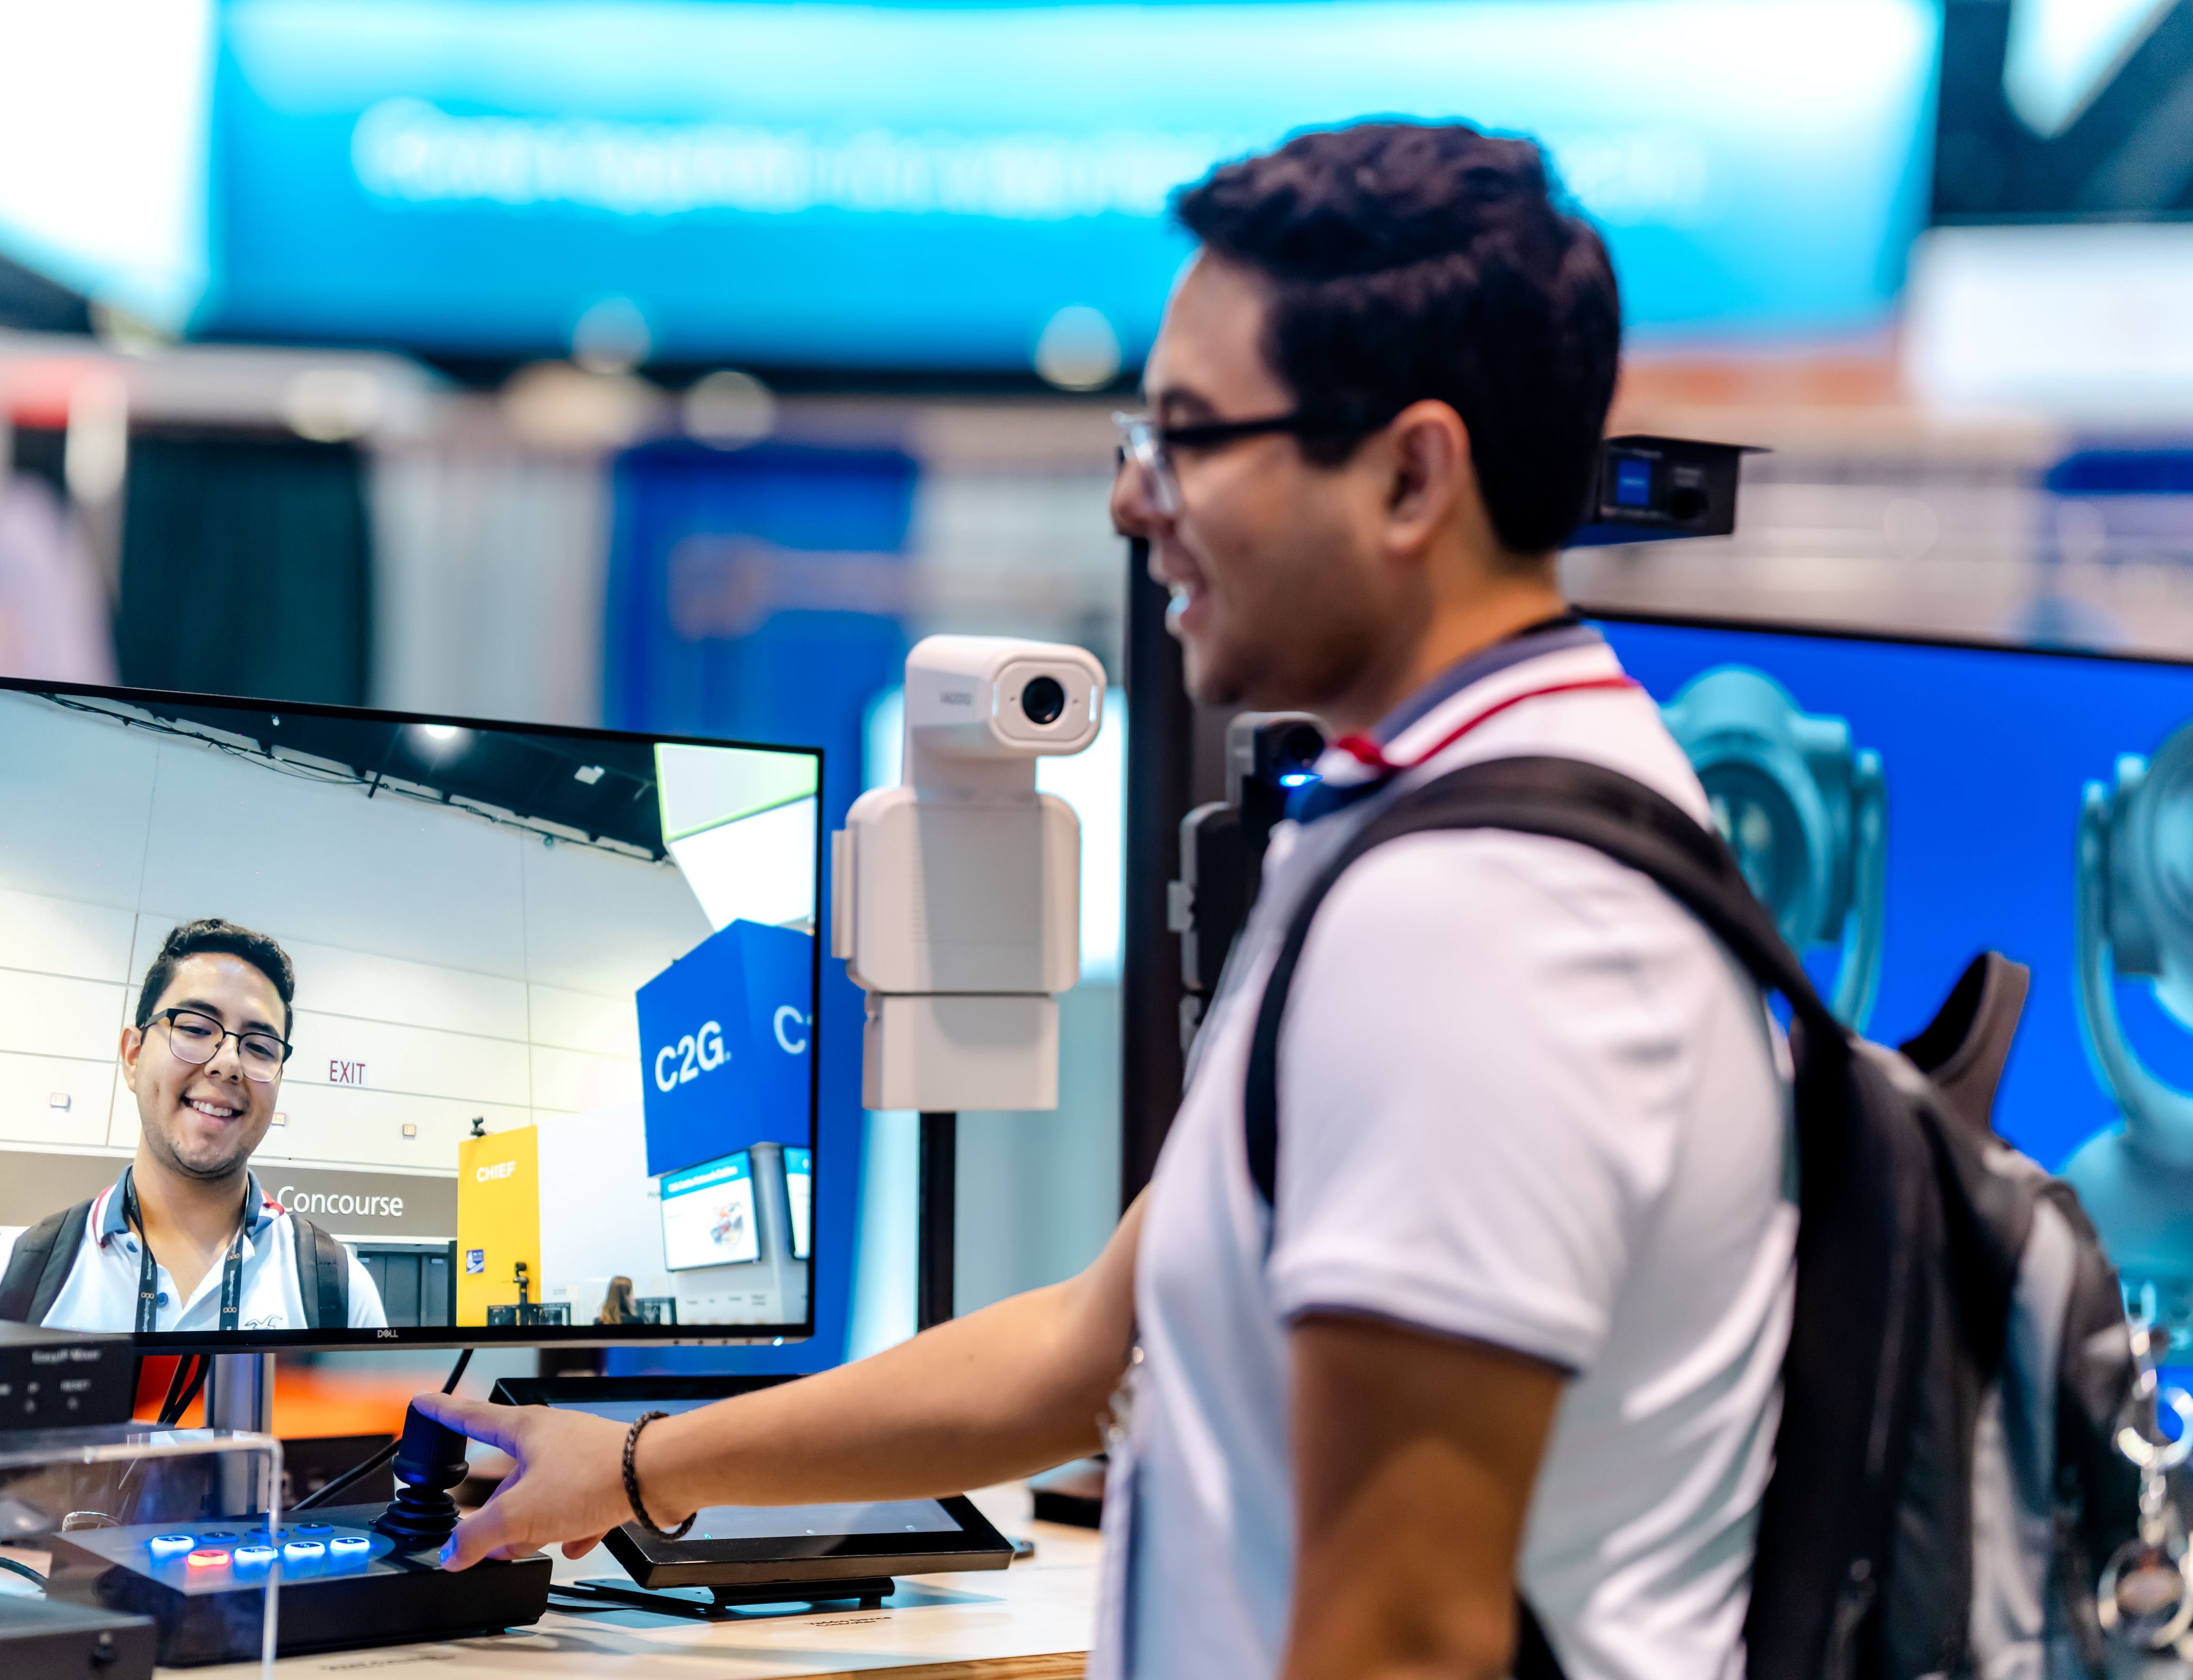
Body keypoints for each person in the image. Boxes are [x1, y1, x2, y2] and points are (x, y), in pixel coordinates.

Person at [414, 121, 1790, 1680]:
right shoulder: (1440, 824)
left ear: (1411, 475)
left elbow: (1400, 1640)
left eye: (1194, 438)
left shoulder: (1483, 924)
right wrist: (642, 1463)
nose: (1140, 502)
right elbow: (1089, 1343)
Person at [0, 917, 387, 1332]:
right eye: (196, 1028)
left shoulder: (337, 1289)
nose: (228, 1063)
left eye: (260, 1046)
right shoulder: (3, 1284)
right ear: (133, 1055)